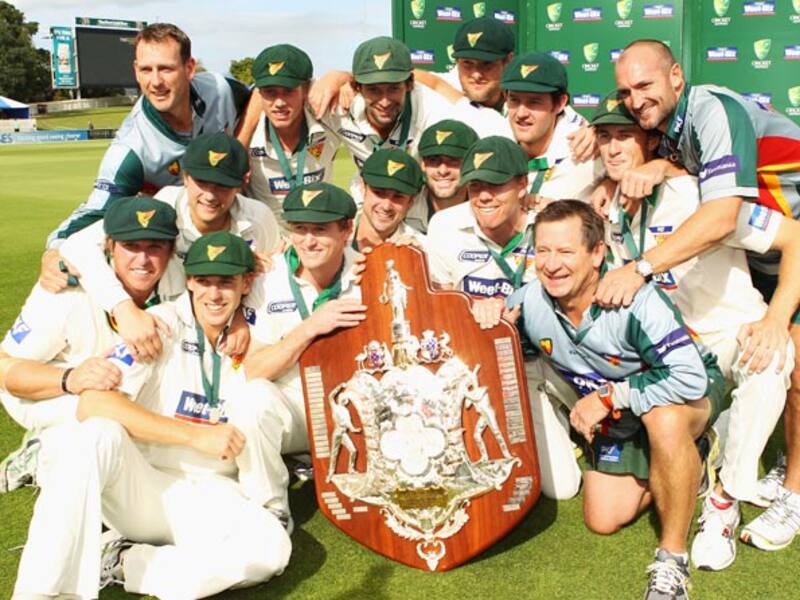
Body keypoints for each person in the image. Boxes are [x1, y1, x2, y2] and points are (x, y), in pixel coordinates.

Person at [11, 232, 292, 599]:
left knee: (270, 550)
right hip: (145, 486)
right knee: (95, 434)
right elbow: (93, 403)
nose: (213, 294)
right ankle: (37, 593)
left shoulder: (257, 330)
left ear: (246, 284)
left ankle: (125, 561)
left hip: (213, 493)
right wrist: (193, 435)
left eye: (225, 282)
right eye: (204, 281)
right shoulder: (159, 324)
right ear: (189, 281)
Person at [592, 94, 800, 570]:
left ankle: (726, 499)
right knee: (608, 509)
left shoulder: (699, 195)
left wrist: (774, 320)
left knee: (772, 358)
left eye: (624, 135)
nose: (613, 147)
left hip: (730, 337)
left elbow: (796, 238)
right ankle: (703, 447)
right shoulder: (608, 207)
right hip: (676, 353)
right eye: (604, 137)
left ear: (652, 143)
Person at [511, 199, 723, 600]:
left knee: (664, 421)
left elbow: (690, 378)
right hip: (622, 409)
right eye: (543, 250)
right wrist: (486, 315)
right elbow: (499, 334)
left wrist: (608, 397)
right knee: (603, 518)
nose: (551, 264)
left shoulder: (636, 299)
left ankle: (672, 559)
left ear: (596, 254)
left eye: (565, 251)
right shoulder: (531, 301)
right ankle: (689, 461)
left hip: (683, 390)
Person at [426, 136, 581, 500]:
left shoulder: (553, 221)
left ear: (522, 184)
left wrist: (516, 304)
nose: (483, 196)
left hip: (566, 354)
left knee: (625, 428)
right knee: (561, 488)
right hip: (508, 368)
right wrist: (471, 312)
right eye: (475, 186)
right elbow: (440, 307)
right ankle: (556, 418)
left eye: (496, 185)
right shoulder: (445, 226)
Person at [0, 196, 178, 491]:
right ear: (109, 246)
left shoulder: (178, 281)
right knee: (106, 422)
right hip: (52, 393)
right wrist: (71, 378)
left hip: (121, 386)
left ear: (171, 252)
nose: (142, 260)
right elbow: (4, 368)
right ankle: (40, 455)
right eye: (131, 246)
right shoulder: (65, 292)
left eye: (154, 247)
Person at [52, 132, 279, 363]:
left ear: (240, 184)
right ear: (185, 177)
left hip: (221, 331)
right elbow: (77, 245)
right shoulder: (162, 207)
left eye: (222, 185)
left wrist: (242, 313)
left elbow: (270, 276)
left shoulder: (259, 219)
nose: (210, 195)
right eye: (202, 182)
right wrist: (124, 309)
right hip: (167, 326)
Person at [45, 23, 249, 251]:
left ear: (189, 68)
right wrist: (55, 249)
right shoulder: (131, 147)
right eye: (146, 70)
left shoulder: (220, 90)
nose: (156, 82)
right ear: (136, 71)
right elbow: (95, 213)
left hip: (245, 222)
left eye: (166, 69)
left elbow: (260, 96)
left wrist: (241, 150)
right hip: (181, 246)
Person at [243, 182, 366, 463]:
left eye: (320, 230)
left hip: (357, 406)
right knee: (253, 398)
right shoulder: (267, 278)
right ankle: (268, 493)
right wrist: (308, 328)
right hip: (295, 405)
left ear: (347, 230)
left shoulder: (367, 272)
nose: (308, 241)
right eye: (300, 229)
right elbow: (253, 370)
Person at [246, 43, 341, 230]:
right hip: (267, 241)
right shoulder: (246, 134)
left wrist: (341, 77)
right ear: (259, 93)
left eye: (288, 91)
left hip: (316, 237)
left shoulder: (328, 119)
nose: (279, 103)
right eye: (270, 92)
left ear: (305, 89)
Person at [500, 51, 603, 205]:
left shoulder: (586, 153)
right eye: (514, 100)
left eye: (534, 102)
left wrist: (609, 184)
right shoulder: (494, 142)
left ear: (560, 103)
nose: (521, 114)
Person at [405, 119, 478, 233]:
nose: (443, 171)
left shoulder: (487, 210)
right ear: (423, 164)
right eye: (433, 160)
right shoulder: (404, 208)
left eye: (453, 160)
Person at [352, 148, 426, 251]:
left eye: (398, 196)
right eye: (378, 192)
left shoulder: (423, 249)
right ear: (363, 188)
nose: (386, 206)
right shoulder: (333, 233)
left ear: (411, 201)